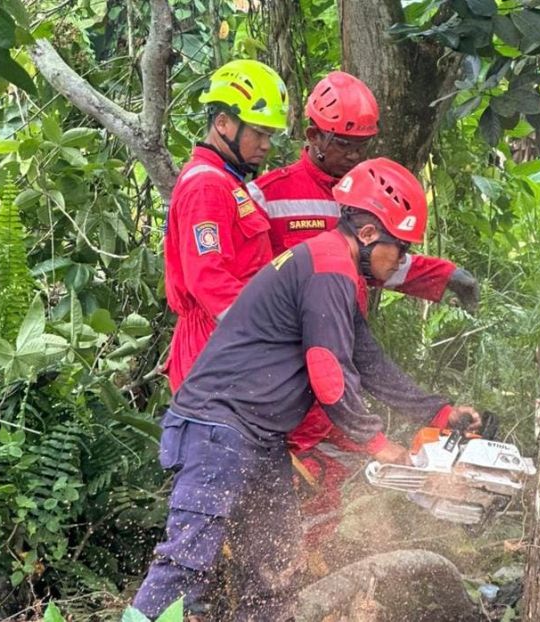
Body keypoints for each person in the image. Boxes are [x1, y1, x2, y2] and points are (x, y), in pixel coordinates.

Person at [133, 157, 481, 620]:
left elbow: (368, 361)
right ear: (369, 234)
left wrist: (438, 414)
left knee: (275, 564)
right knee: (185, 561)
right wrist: (376, 443)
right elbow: (328, 370)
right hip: (218, 427)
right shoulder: (327, 269)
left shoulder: (333, 267)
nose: (400, 262)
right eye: (400, 250)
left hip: (258, 436)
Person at [245, 71, 480, 556]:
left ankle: (309, 564)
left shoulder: (368, 195)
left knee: (333, 465)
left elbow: (383, 264)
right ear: (313, 136)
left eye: (361, 145)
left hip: (340, 347)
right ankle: (272, 570)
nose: (353, 156)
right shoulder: (271, 194)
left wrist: (440, 275)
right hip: (287, 363)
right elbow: (248, 284)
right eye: (344, 144)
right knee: (289, 472)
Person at [162, 59, 288, 393]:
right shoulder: (207, 187)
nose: (266, 145)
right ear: (223, 123)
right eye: (259, 133)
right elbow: (208, 280)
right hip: (213, 349)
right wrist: (268, 331)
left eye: (270, 135)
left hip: (228, 344)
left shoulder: (229, 182)